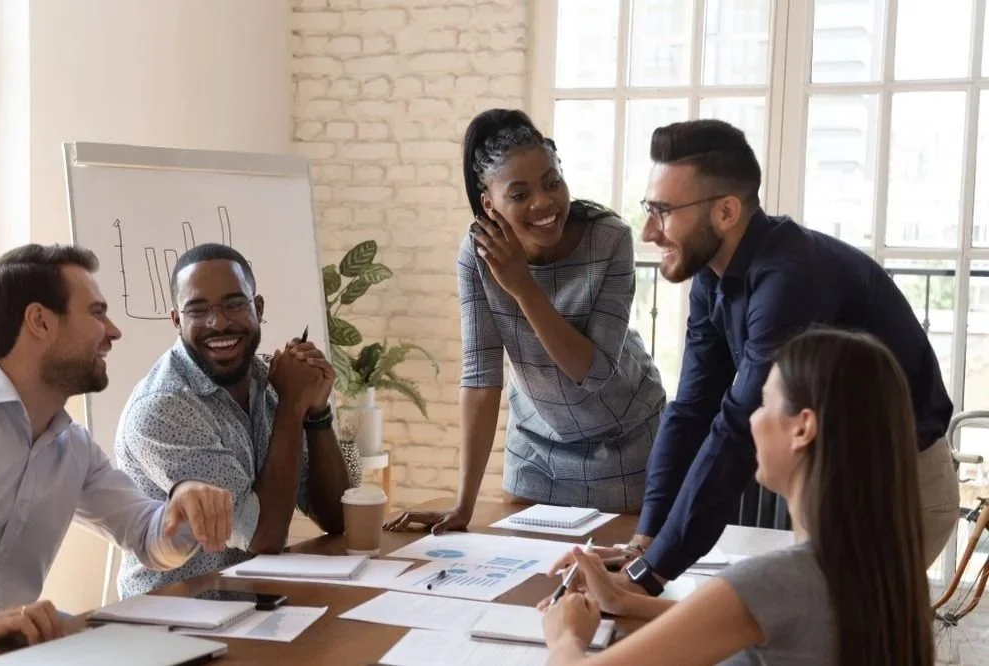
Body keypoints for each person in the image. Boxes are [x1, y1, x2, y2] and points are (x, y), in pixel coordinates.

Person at [598, 119, 957, 595]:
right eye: (650, 208)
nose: (647, 231)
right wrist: (645, 543)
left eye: (663, 211)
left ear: (726, 211)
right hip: (832, 482)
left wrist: (653, 573)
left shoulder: (791, 280)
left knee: (832, 642)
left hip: (897, 491)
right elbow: (692, 410)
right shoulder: (713, 274)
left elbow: (736, 427)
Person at [541, 328, 935, 666]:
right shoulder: (877, 571)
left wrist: (566, 638)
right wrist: (626, 602)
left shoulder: (776, 579)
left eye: (764, 403)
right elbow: (764, 621)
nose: (753, 419)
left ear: (803, 429)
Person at [386, 109, 666, 533]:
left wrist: (522, 286)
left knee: (613, 585)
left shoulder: (610, 239)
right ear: (489, 203)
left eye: (552, 182)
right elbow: (481, 378)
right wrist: (463, 506)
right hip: (536, 449)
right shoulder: (476, 254)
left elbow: (591, 372)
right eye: (519, 194)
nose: (543, 202)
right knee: (522, 584)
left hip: (625, 445)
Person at [0, 244, 233, 621]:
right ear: (40, 321)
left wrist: (183, 503)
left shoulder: (75, 450)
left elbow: (149, 539)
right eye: (96, 313)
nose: (114, 332)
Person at [114, 243, 350, 597]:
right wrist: (291, 405)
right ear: (177, 321)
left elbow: (337, 518)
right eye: (198, 309)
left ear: (258, 307)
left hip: (256, 600)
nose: (218, 322)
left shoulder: (268, 378)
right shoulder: (163, 408)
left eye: (234, 304)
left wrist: (316, 413)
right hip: (175, 616)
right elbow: (263, 537)